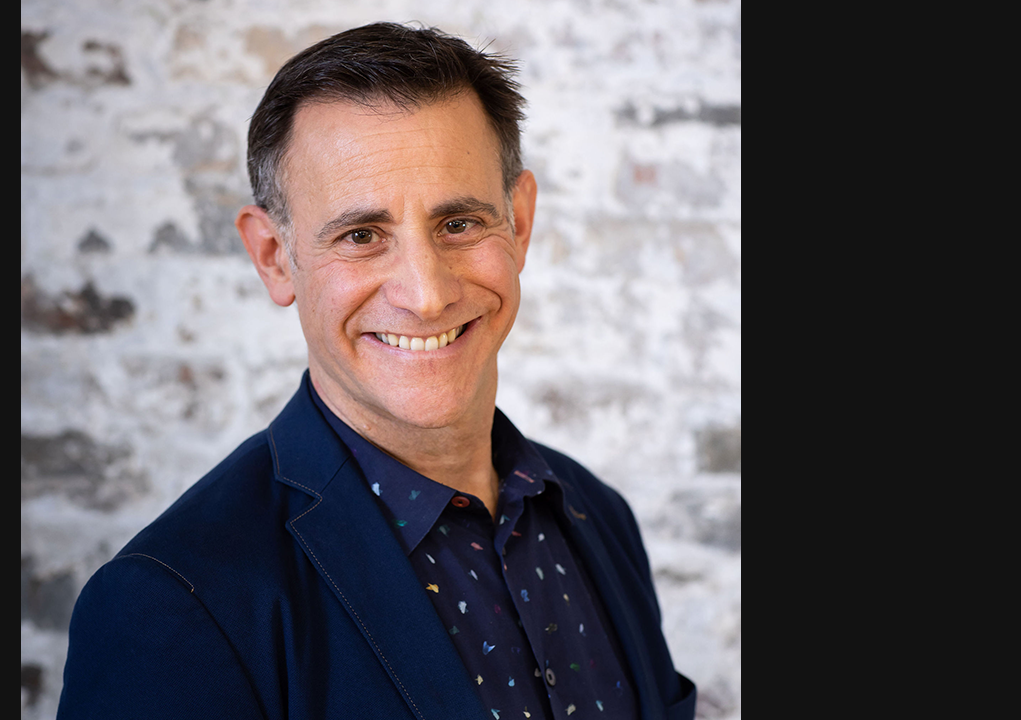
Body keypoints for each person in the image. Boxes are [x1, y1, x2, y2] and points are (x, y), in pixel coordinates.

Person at [59, 22, 696, 720]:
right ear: (274, 257)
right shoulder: (174, 603)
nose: (426, 294)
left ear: (518, 222)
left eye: (459, 224)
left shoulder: (597, 515)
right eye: (362, 236)